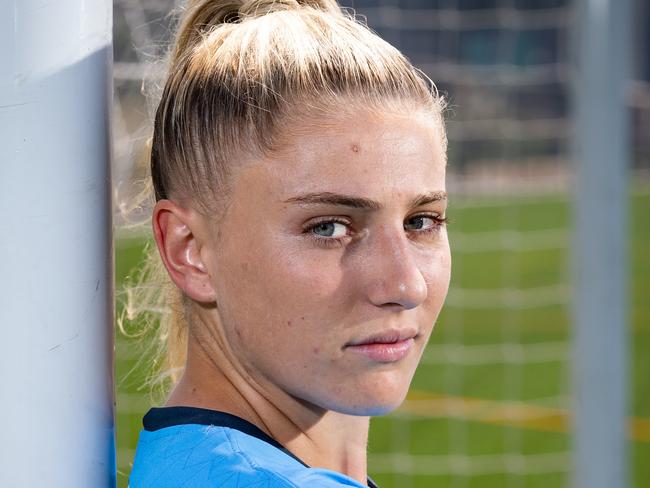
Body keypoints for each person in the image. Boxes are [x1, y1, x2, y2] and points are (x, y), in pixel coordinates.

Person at [127, 0, 451, 486]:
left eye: (421, 221)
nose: (406, 284)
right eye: (328, 228)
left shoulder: (184, 461)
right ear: (189, 249)